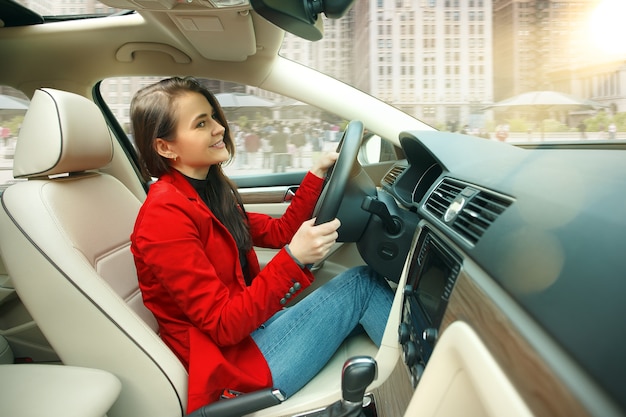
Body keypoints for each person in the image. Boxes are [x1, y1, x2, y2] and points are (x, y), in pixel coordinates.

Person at [129, 77, 394, 413]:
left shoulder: (206, 192)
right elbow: (223, 325)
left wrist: (314, 175)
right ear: (166, 147)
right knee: (363, 285)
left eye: (213, 116)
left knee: (361, 283)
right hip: (236, 367)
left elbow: (280, 232)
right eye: (200, 123)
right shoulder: (164, 215)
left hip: (254, 335)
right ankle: (433, 386)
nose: (218, 129)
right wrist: (294, 258)